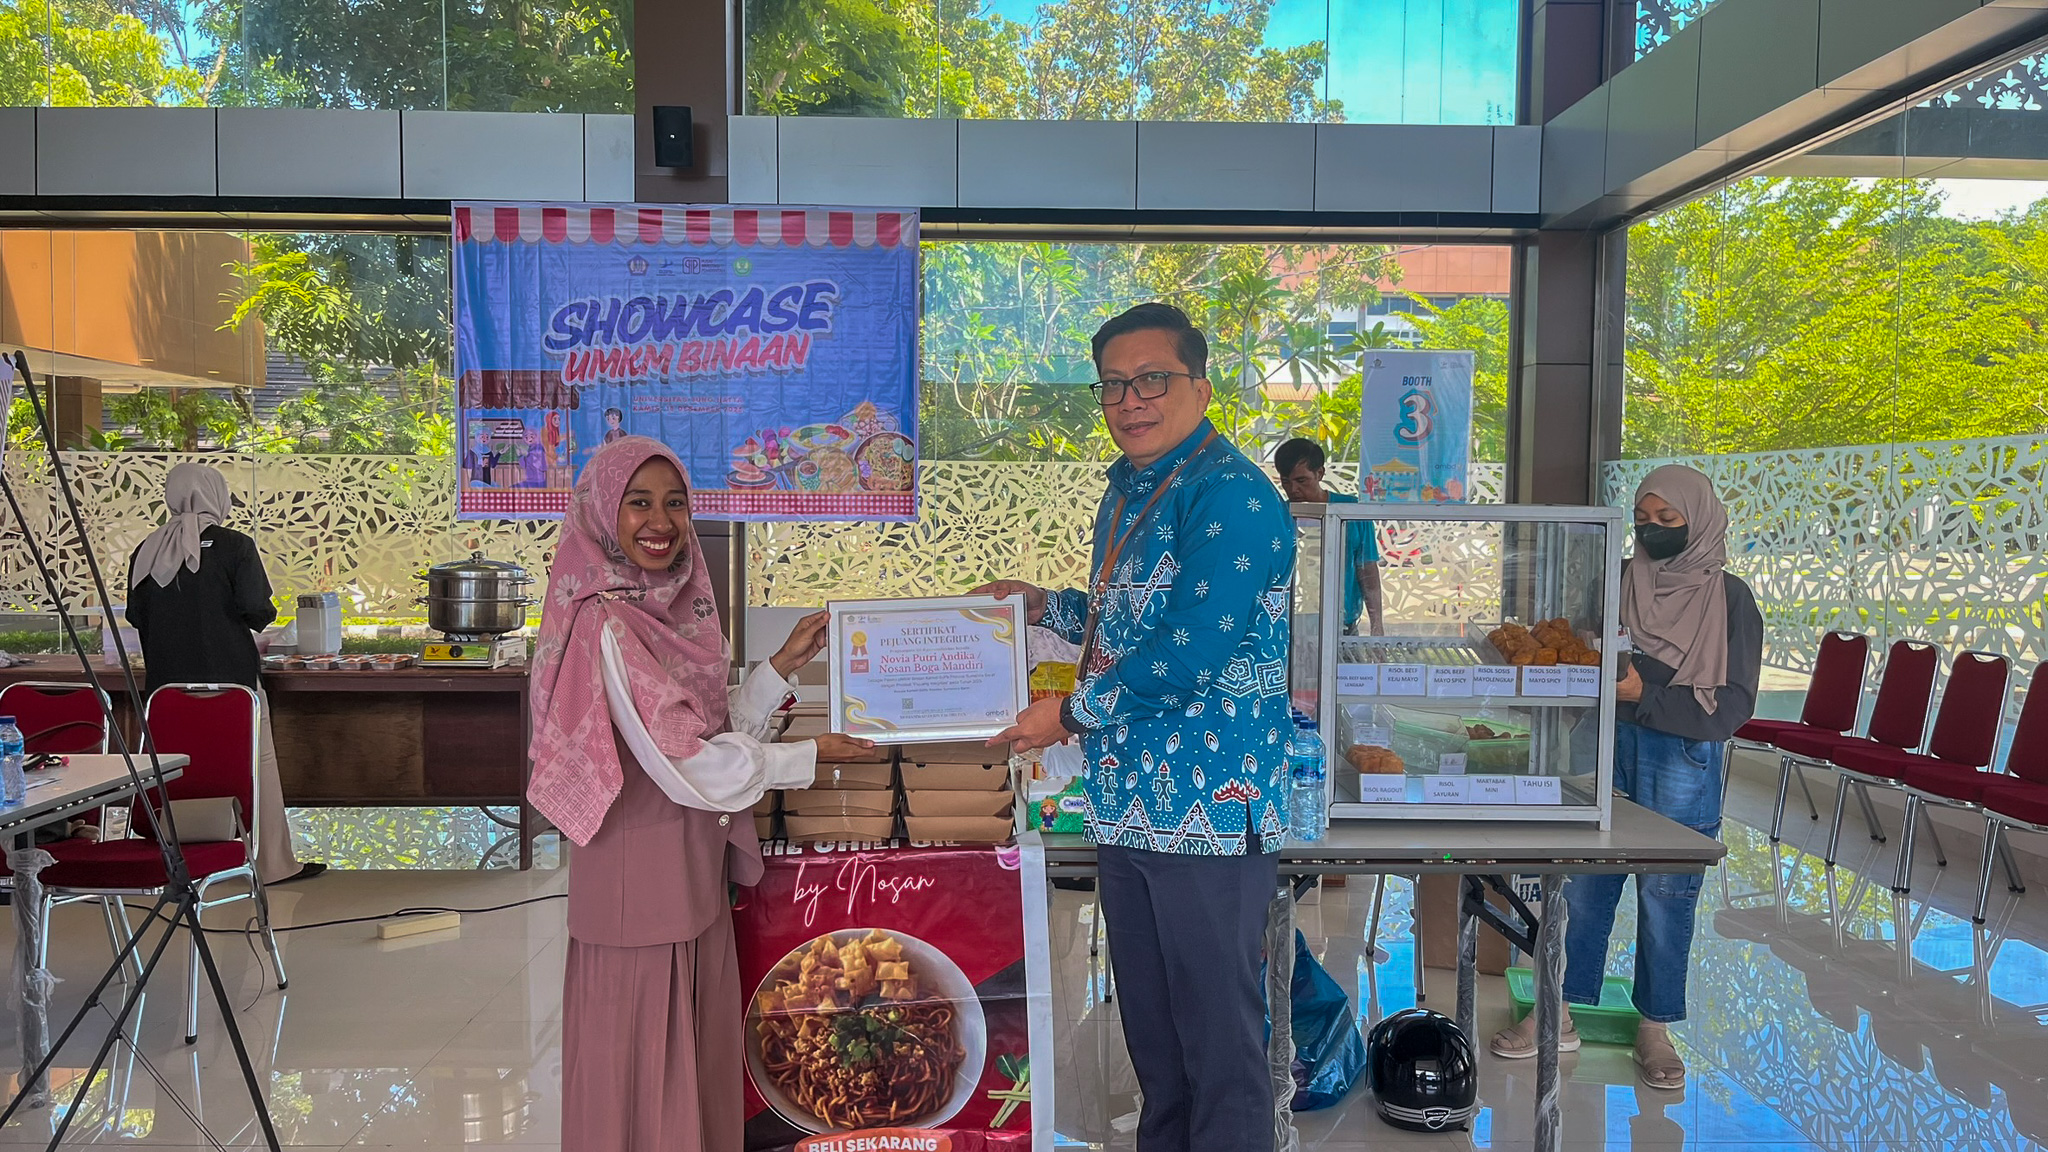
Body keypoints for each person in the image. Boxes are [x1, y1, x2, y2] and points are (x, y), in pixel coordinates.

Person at [980, 303, 1294, 1151]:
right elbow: (1124, 624)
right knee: (1156, 1044)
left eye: (1152, 378)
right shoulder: (1130, 487)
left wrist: (1067, 715)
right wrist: (1045, 607)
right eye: (1113, 384)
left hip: (1207, 812)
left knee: (1219, 1049)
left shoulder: (1232, 495)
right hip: (1126, 805)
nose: (1131, 400)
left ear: (1200, 385)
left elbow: (1190, 650)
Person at [527, 435, 874, 1152]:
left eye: (675, 503)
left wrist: (779, 666)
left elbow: (705, 729)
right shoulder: (607, 623)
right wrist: (808, 756)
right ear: (603, 513)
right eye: (639, 503)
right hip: (639, 896)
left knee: (694, 1072)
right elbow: (689, 764)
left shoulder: (671, 611)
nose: (661, 522)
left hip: (690, 881)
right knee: (643, 1085)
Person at [1488, 464, 1762, 1090]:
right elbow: (1585, 650)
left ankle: (1655, 1028)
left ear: (1700, 520)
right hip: (1604, 743)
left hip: (1682, 756)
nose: (1652, 529)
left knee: (1667, 895)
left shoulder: (1731, 599)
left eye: (1668, 519)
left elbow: (1735, 703)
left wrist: (1645, 695)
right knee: (1581, 885)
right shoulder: (1616, 579)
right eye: (1642, 519)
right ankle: (1557, 1011)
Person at [126, 462, 318, 885]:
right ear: (217, 496)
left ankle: (179, 862)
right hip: (232, 687)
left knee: (178, 772)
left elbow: (136, 616)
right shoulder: (235, 546)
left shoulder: (146, 551)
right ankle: (270, 865)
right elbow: (258, 611)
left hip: (166, 693)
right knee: (256, 767)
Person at [1274, 437, 1385, 636]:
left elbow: (1367, 569)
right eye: (1286, 482)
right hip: (1291, 621)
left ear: (1320, 473)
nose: (1293, 490)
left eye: (1301, 481)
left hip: (1342, 621)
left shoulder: (1350, 511)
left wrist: (1377, 624)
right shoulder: (1279, 514)